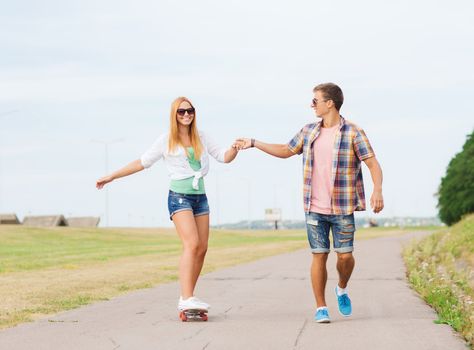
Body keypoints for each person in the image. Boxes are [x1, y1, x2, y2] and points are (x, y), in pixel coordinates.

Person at [236, 83, 384, 323]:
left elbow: (372, 164)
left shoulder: (354, 132)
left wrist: (377, 189)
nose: (311, 105)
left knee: (345, 257)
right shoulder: (308, 131)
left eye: (315, 101)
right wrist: (254, 143)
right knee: (319, 255)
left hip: (342, 207)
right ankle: (321, 307)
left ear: (330, 103)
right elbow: (286, 150)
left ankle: (342, 288)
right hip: (314, 207)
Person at [96, 96, 239, 313]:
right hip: (179, 196)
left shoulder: (202, 137)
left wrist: (235, 148)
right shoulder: (166, 140)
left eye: (189, 111)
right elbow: (142, 162)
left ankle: (188, 295)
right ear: (174, 115)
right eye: (181, 112)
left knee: (202, 249)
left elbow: (223, 156)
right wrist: (112, 176)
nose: (186, 115)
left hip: (201, 197)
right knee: (191, 244)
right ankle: (187, 297)